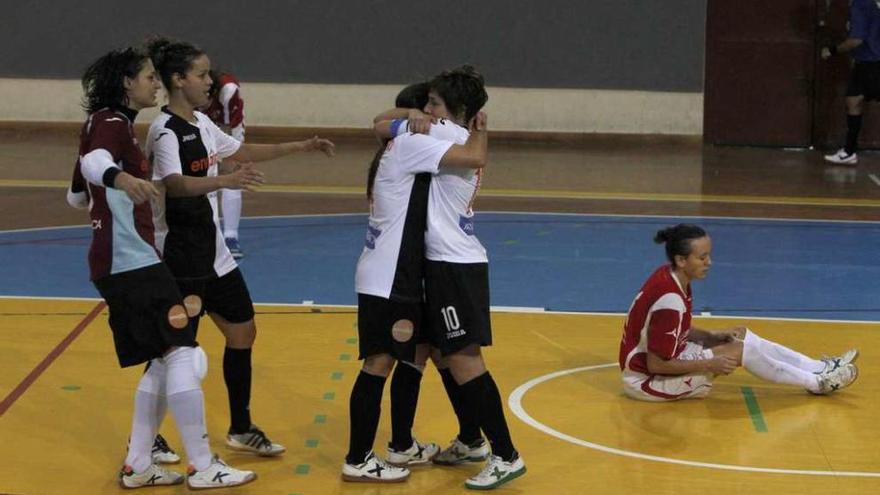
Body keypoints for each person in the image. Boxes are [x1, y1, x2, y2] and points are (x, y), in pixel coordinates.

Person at [67, 46, 255, 489]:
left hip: (121, 258)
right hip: (129, 259)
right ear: (127, 83)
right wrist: (124, 179)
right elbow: (94, 167)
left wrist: (108, 187)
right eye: (149, 77)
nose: (155, 83)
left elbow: (76, 194)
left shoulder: (104, 125)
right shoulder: (113, 124)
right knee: (186, 354)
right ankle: (204, 465)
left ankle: (138, 463)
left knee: (169, 358)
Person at [143, 37, 335, 459]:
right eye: (202, 74)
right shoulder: (165, 131)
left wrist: (299, 146)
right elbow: (174, 185)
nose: (210, 81)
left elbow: (241, 150)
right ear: (178, 80)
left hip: (214, 255)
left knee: (242, 331)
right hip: (181, 253)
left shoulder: (200, 122)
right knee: (173, 349)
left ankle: (241, 428)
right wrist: (223, 181)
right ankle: (147, 438)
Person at [373, 66, 526, 491]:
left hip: (453, 266)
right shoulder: (457, 134)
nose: (425, 109)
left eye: (433, 104)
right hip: (445, 263)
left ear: (454, 112)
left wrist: (408, 118)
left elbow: (379, 123)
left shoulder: (444, 134)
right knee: (440, 353)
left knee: (464, 359)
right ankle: (471, 442)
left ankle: (507, 455)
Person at [619, 224, 859, 401]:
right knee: (736, 349)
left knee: (738, 336)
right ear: (681, 260)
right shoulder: (670, 298)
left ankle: (818, 367)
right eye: (702, 257)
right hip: (647, 381)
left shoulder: (672, 277)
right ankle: (818, 382)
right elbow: (657, 364)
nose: (709, 262)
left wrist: (709, 336)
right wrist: (710, 364)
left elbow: (673, 329)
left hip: (663, 363)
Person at [822, 0, 880, 164]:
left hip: (873, 63)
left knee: (854, 100)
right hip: (864, 62)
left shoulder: (860, 5)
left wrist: (832, 50)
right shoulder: (869, 5)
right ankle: (849, 152)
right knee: (853, 100)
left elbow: (856, 40)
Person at [202, 69, 246, 258]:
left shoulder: (228, 91)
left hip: (227, 127)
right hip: (202, 126)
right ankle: (209, 233)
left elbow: (233, 126)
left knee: (231, 177)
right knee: (203, 175)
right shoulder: (189, 95)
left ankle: (230, 236)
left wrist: (233, 157)